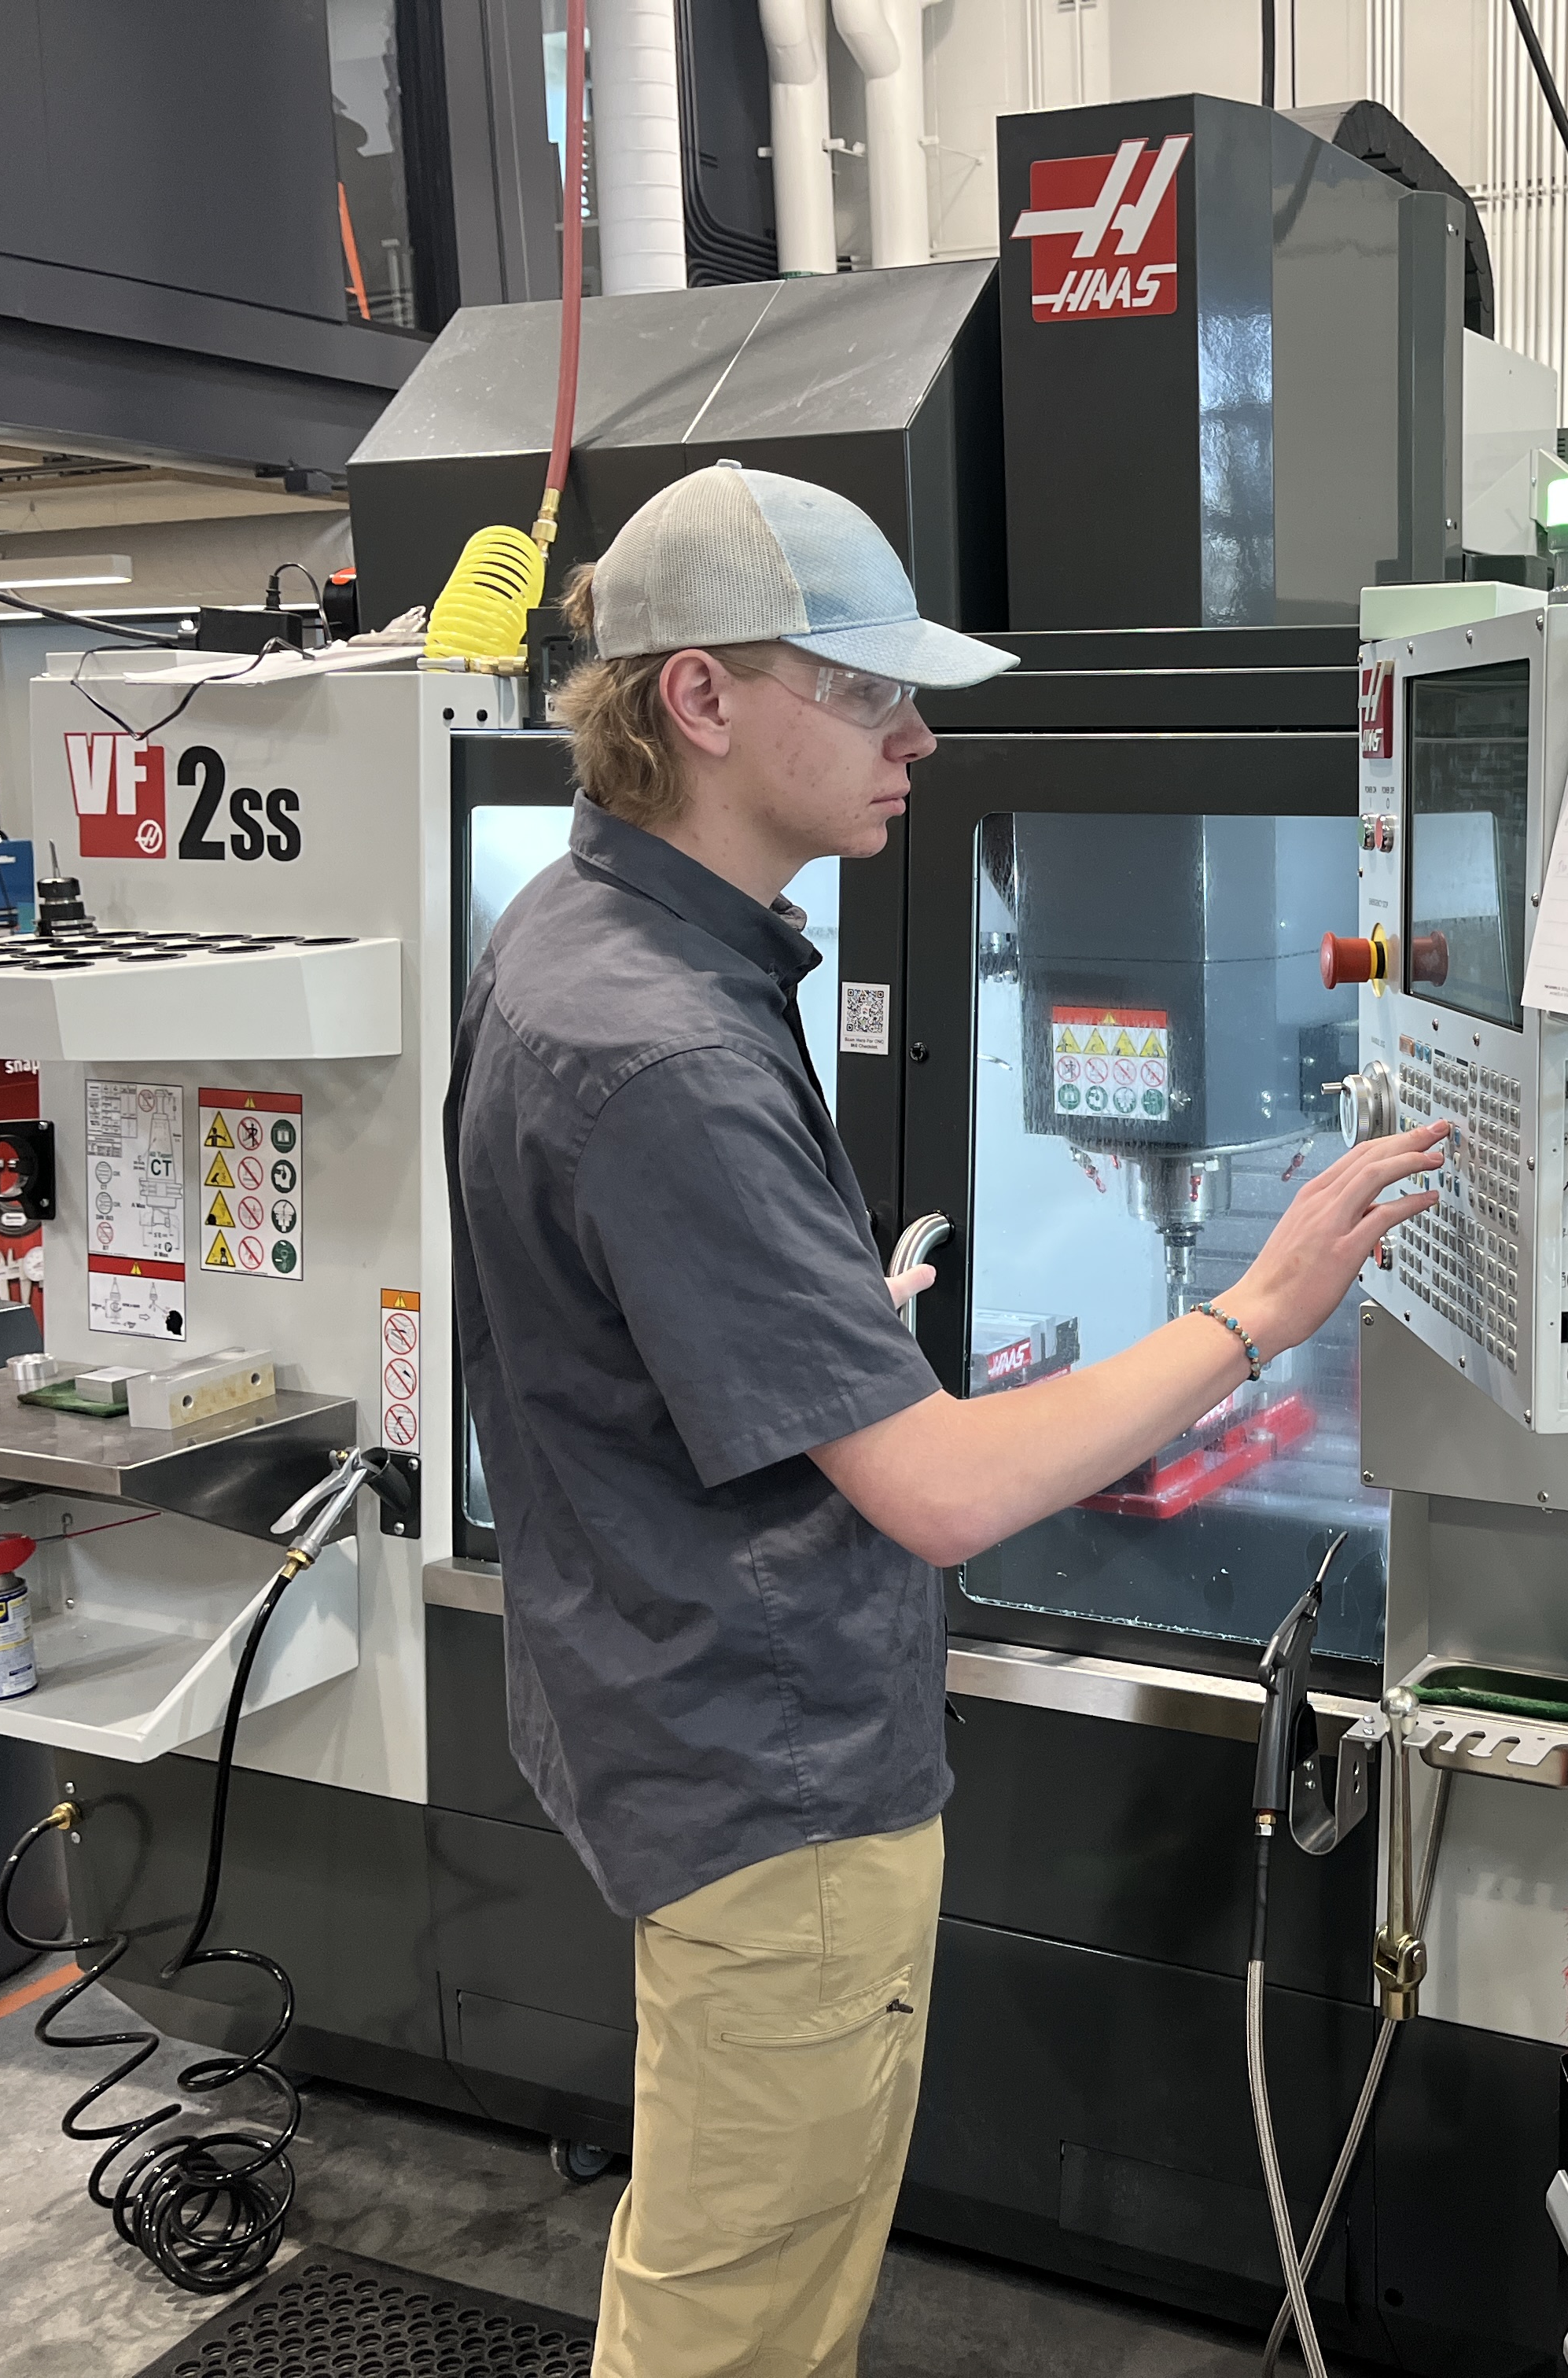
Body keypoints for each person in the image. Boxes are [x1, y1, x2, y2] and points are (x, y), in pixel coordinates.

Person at [445, 461, 1441, 2378]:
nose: (919, 734)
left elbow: (627, 1308)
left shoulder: (589, 942)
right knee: (737, 2317)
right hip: (774, 1786)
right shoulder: (663, 1049)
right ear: (703, 701)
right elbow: (947, 1498)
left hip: (670, 1710)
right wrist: (1262, 1310)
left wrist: (824, 1313)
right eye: (866, 690)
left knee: (730, 2244)